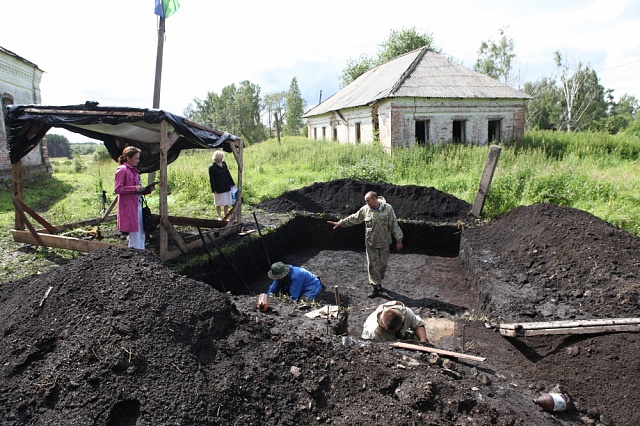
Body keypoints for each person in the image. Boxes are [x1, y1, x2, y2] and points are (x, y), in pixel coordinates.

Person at [327, 191, 403, 298]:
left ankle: (379, 281)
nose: (366, 203)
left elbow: (394, 224)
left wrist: (399, 240)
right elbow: (355, 218)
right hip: (371, 243)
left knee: (382, 265)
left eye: (368, 201)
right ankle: (375, 287)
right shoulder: (365, 209)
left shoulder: (388, 209)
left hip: (384, 243)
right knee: (372, 266)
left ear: (375, 199)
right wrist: (341, 223)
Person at [114, 146, 156, 250]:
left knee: (141, 232)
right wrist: (134, 188)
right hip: (129, 206)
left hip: (137, 204)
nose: (138, 160)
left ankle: (141, 252)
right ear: (128, 158)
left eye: (138, 158)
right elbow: (117, 189)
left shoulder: (133, 171)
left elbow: (136, 190)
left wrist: (146, 190)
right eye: (136, 158)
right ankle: (135, 254)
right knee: (135, 233)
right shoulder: (122, 170)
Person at [361, 300, 427, 342]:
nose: (392, 332)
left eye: (394, 330)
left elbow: (418, 325)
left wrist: (423, 342)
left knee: (417, 338)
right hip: (382, 343)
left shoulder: (406, 313)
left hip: (401, 335)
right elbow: (368, 348)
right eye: (390, 331)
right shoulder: (372, 332)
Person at [208, 150, 235, 220]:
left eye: (222, 157)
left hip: (226, 186)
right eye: (220, 157)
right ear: (216, 158)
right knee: (218, 203)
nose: (221, 158)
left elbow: (228, 174)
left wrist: (232, 184)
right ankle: (219, 216)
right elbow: (212, 179)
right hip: (218, 188)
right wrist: (214, 189)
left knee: (226, 202)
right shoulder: (212, 167)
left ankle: (226, 216)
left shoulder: (224, 164)